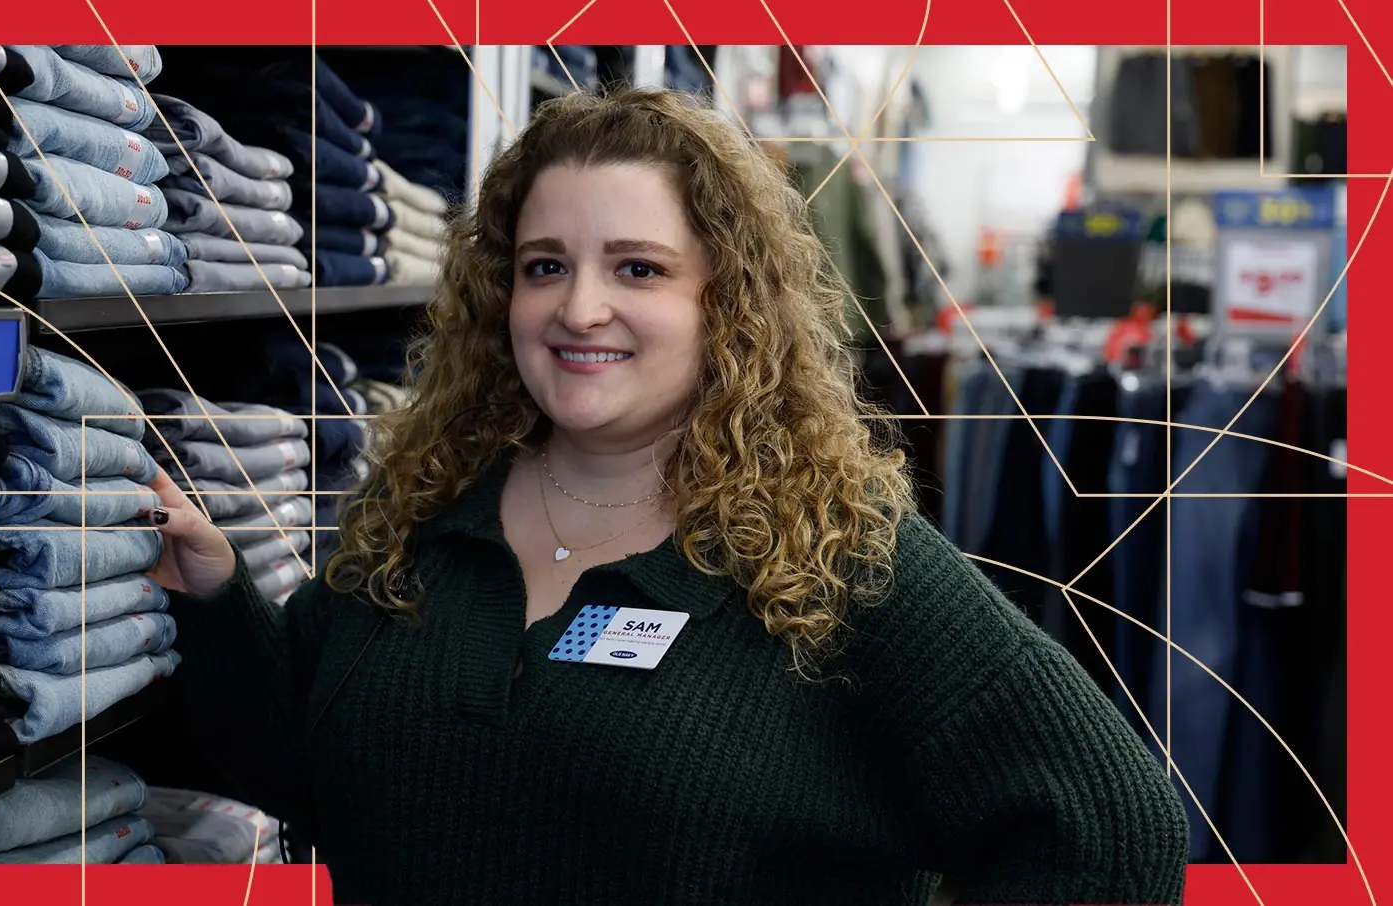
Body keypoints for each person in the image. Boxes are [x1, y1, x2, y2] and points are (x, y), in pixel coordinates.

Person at [146, 88, 1189, 904]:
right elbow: (296, 761)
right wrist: (215, 593)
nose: (578, 307)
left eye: (637, 269)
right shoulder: (427, 516)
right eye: (544, 265)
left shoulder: (830, 555)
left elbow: (1107, 831)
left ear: (725, 303)